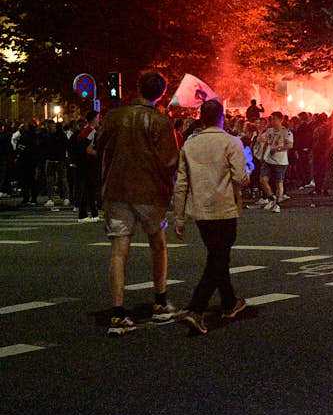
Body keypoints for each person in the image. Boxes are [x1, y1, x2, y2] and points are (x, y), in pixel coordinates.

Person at [95, 71, 181, 335]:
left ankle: (118, 312)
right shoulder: (159, 121)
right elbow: (169, 161)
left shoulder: (115, 116)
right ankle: (160, 300)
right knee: (158, 244)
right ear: (162, 93)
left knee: (119, 250)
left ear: (137, 87)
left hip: (117, 189)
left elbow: (98, 145)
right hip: (149, 190)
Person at [173, 99, 249, 335]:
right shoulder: (230, 142)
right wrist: (247, 167)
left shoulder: (190, 145)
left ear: (201, 117)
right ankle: (195, 307)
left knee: (218, 255)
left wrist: (178, 216)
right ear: (222, 117)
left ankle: (229, 302)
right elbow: (240, 177)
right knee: (219, 257)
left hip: (200, 209)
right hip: (224, 207)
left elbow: (181, 182)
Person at [257, 112, 293, 213]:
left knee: (279, 183)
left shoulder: (286, 132)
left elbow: (290, 145)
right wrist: (263, 155)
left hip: (280, 161)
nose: (272, 121)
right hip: (268, 160)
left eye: (274, 119)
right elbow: (261, 140)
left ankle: (277, 204)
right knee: (263, 180)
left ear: (280, 120)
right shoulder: (269, 131)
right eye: (271, 119)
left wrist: (278, 148)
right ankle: (272, 198)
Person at [72, 111, 101, 223]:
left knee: (88, 188)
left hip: (82, 163)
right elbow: (88, 149)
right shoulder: (91, 132)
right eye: (98, 117)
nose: (99, 119)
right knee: (89, 188)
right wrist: (99, 154)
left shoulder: (84, 131)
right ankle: (86, 214)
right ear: (93, 119)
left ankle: (91, 214)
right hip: (88, 164)